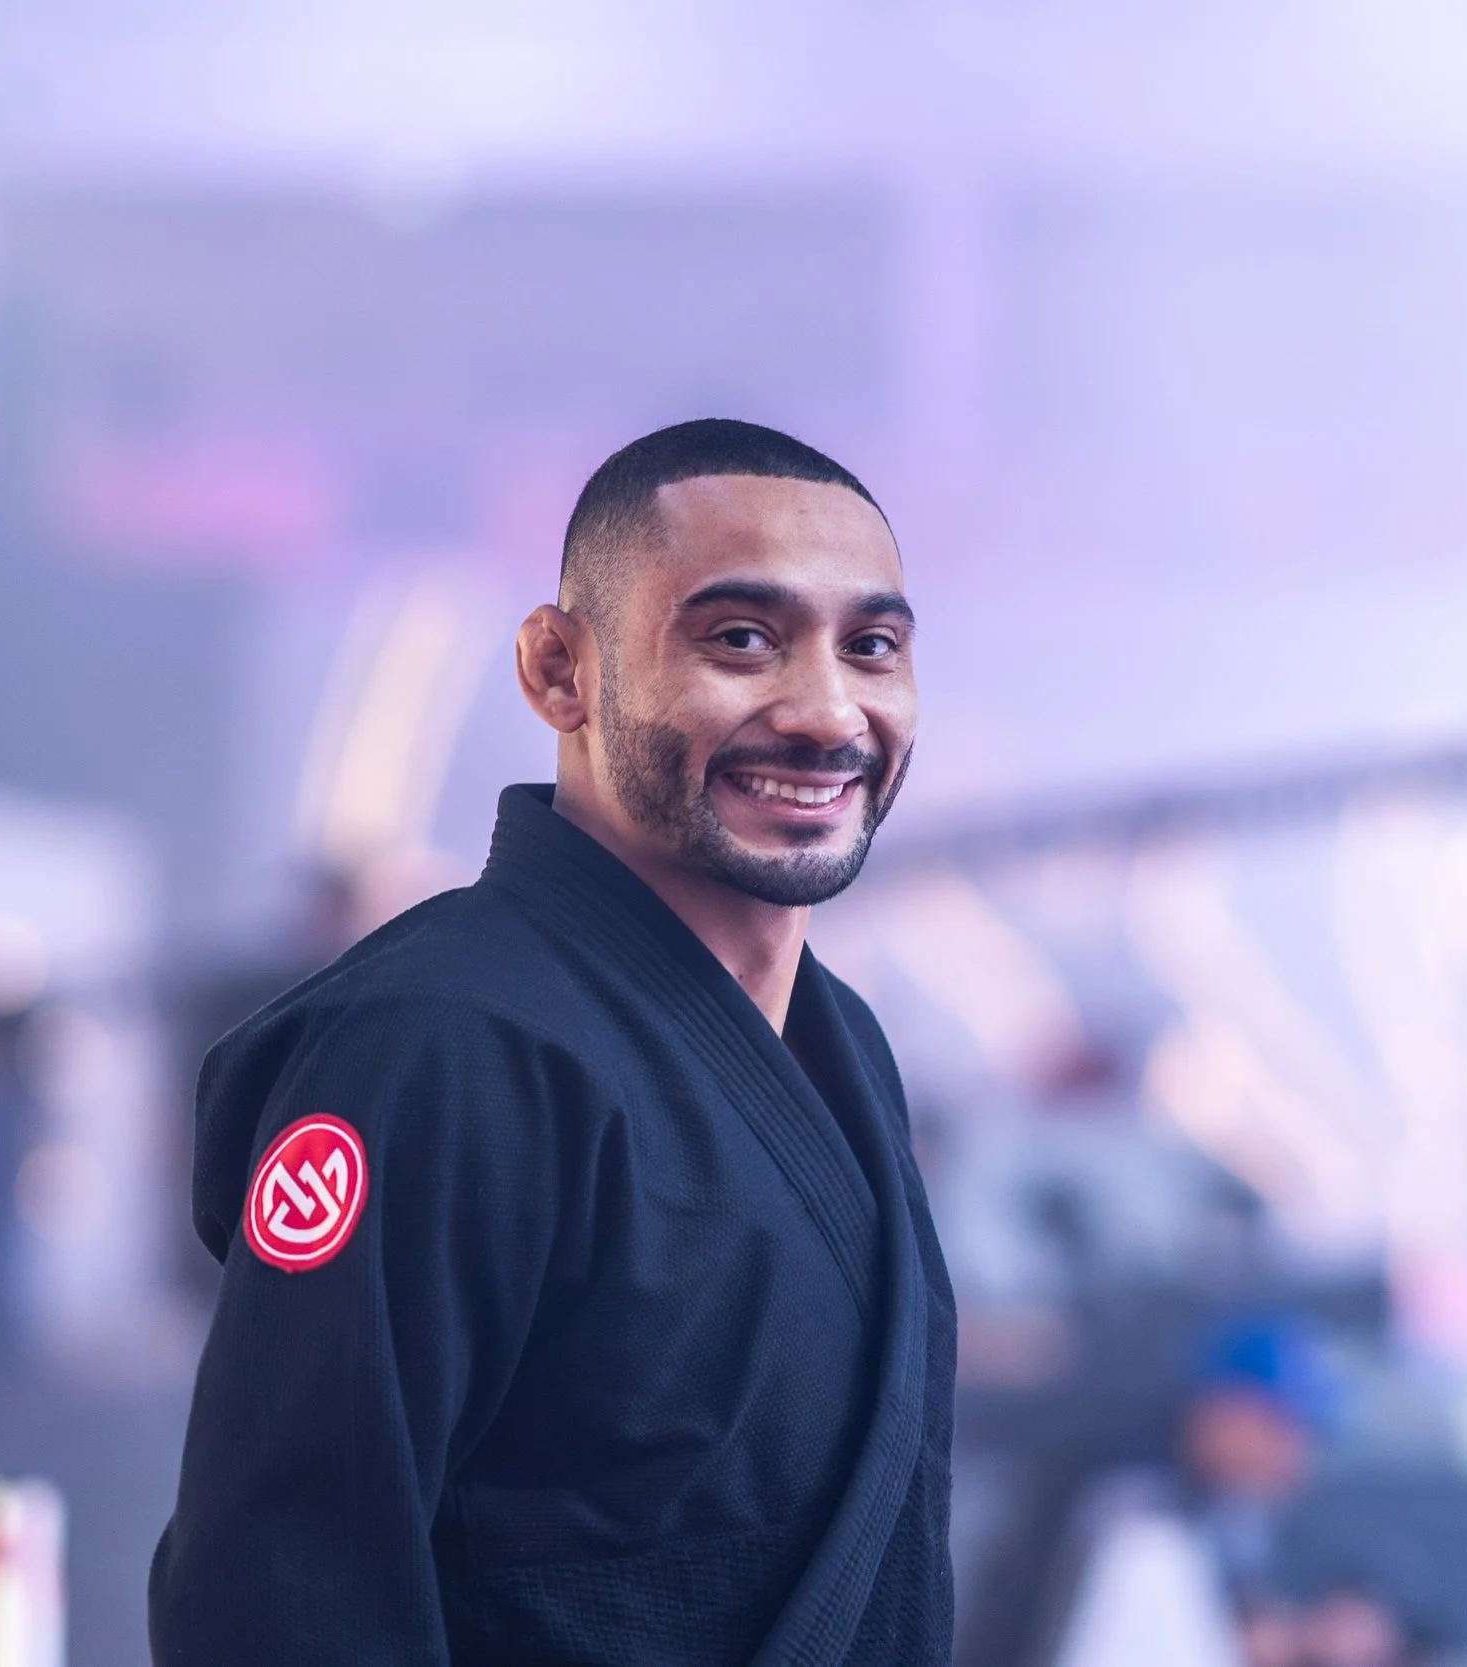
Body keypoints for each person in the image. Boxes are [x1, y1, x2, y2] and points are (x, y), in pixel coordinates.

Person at [149, 419, 956, 1664]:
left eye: (872, 647)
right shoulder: (438, 1046)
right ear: (557, 668)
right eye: (741, 638)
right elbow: (281, 1593)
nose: (824, 710)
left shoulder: (841, 1042)